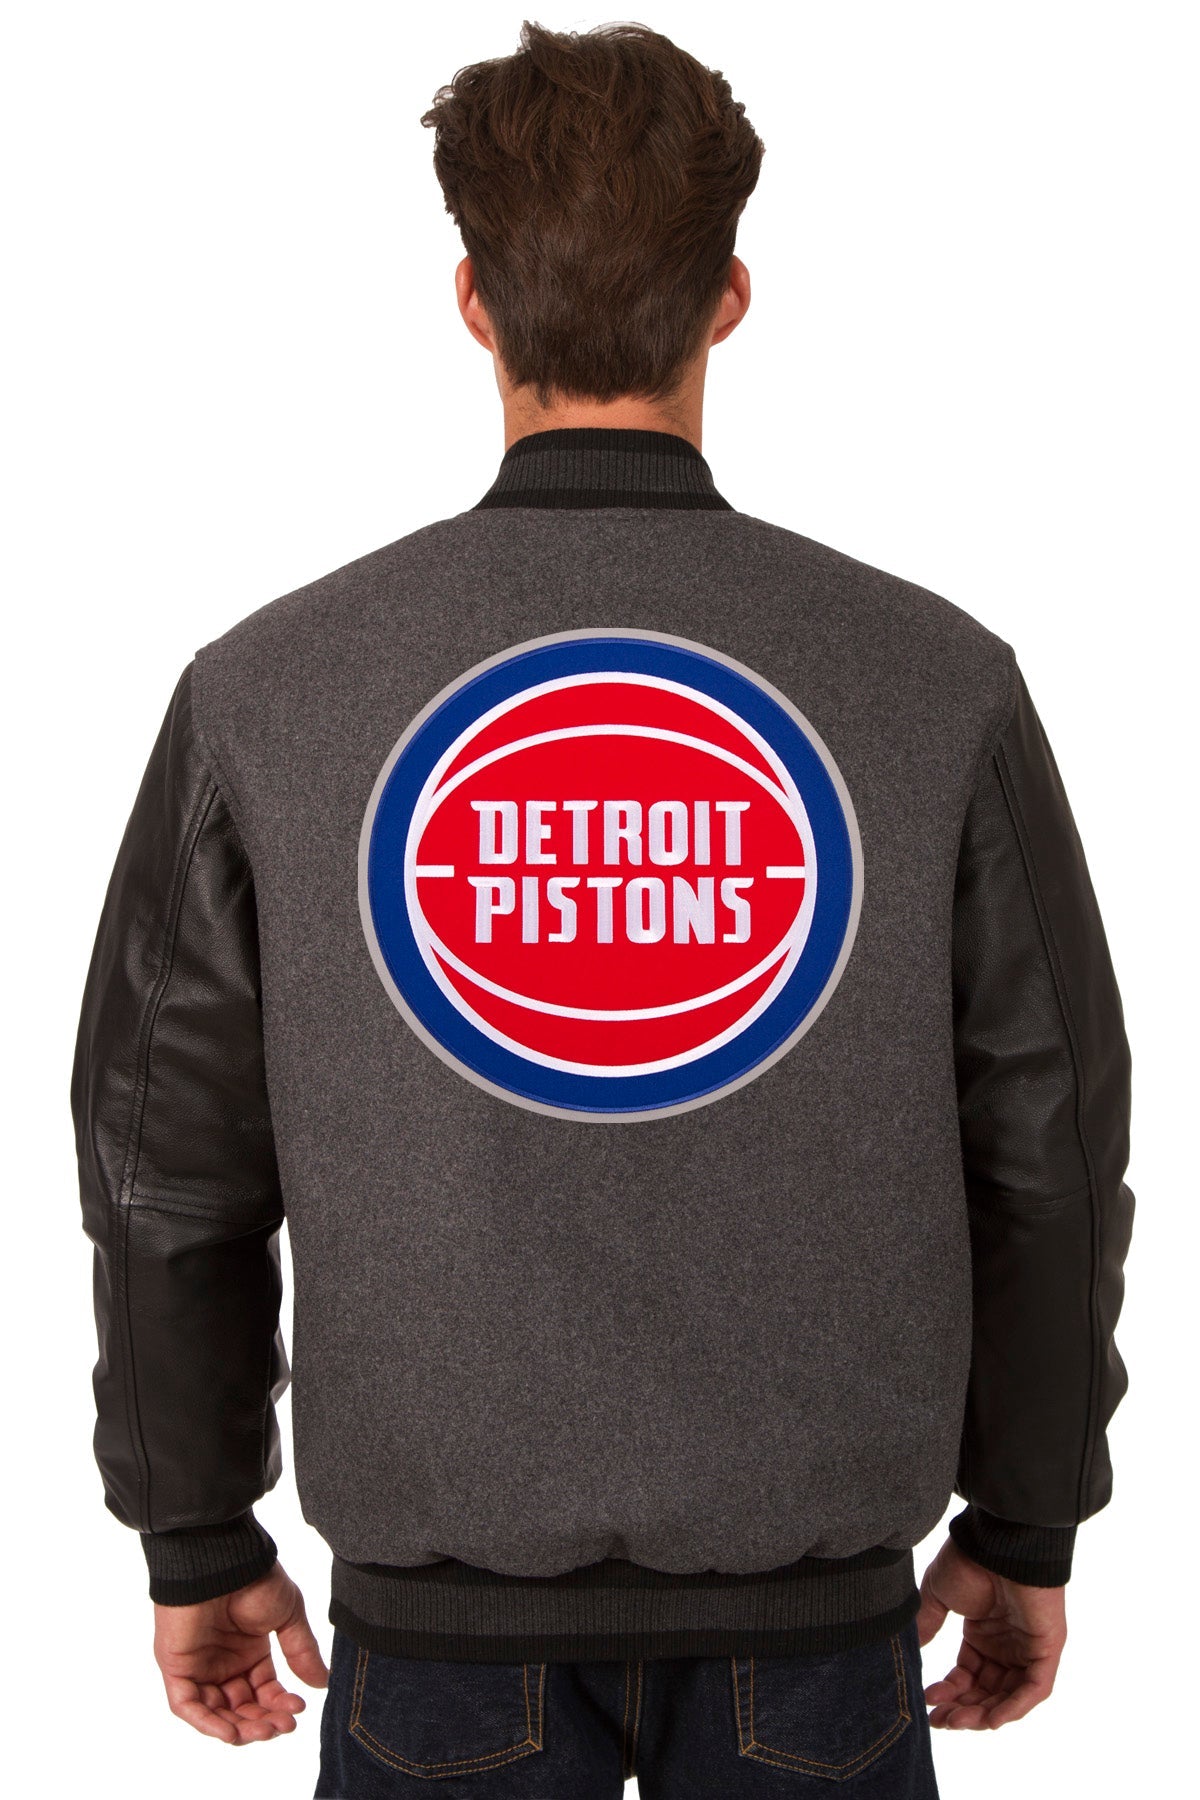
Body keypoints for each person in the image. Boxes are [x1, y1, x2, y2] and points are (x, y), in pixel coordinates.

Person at [70, 20, 1135, 1799]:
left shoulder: (270, 688)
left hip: (431, 1636)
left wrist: (195, 1530)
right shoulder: (931, 677)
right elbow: (1050, 1143)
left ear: (472, 306)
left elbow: (164, 1166)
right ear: (729, 298)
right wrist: (1028, 1516)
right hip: (821, 1632)